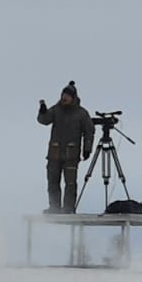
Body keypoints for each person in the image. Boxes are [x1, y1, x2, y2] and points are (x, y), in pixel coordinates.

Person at [37, 81, 95, 214]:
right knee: (53, 182)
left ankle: (68, 208)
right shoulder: (56, 110)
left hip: (71, 155)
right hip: (54, 154)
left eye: (67, 95)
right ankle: (54, 207)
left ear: (73, 97)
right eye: (63, 94)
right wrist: (42, 112)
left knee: (70, 183)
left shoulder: (81, 113)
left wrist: (87, 148)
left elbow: (89, 131)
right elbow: (44, 121)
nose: (64, 97)